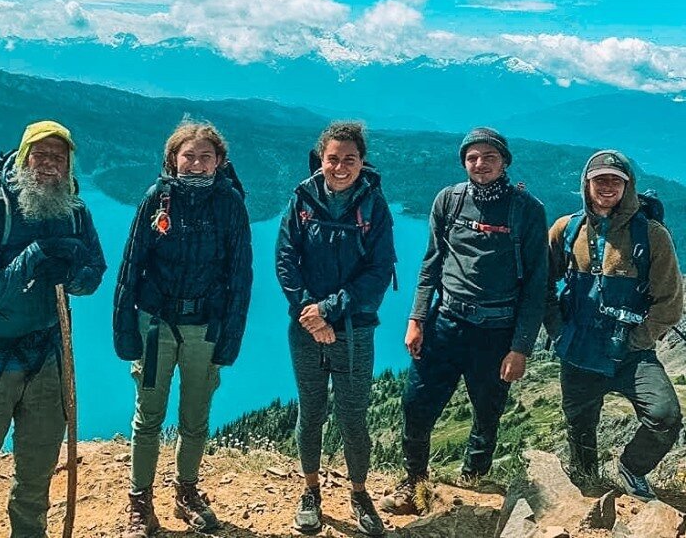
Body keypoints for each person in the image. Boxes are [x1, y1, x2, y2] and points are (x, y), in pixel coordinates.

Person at [381, 127, 548, 515]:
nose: (480, 164)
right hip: (446, 322)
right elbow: (431, 265)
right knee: (415, 405)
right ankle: (414, 481)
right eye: (472, 157)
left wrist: (520, 347)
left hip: (497, 331)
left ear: (504, 160)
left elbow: (537, 285)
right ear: (464, 162)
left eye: (489, 156)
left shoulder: (527, 209)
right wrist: (416, 317)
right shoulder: (449, 201)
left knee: (487, 412)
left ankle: (473, 479)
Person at [0, 120, 106, 538]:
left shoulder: (75, 212)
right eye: (40, 155)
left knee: (36, 479)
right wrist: (30, 259)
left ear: (69, 166)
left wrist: (74, 272)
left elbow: (93, 275)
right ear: (22, 157)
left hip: (48, 360)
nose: (48, 165)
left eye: (59, 159)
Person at [113, 121, 253, 537]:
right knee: (148, 417)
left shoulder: (229, 204)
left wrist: (230, 338)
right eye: (188, 156)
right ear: (173, 159)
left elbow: (240, 275)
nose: (196, 163)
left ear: (220, 162)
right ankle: (140, 502)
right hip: (155, 324)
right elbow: (131, 264)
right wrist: (125, 329)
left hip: (204, 329)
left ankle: (186, 492)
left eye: (205, 156)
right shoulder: (157, 199)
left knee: (195, 418)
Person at [276, 121, 396, 536]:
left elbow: (379, 272)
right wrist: (310, 314)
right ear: (320, 159)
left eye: (350, 159)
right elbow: (285, 260)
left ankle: (360, 494)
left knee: (352, 417)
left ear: (362, 162)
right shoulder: (302, 199)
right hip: (307, 327)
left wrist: (327, 310)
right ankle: (310, 491)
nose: (340, 167)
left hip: (354, 328)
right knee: (311, 412)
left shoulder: (374, 207)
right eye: (333, 159)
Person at [544, 150, 683, 501]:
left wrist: (638, 339)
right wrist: (558, 331)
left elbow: (670, 301)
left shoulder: (651, 235)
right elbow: (541, 286)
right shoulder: (566, 228)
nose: (607, 186)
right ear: (586, 184)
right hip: (578, 349)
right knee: (580, 424)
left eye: (615, 181)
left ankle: (632, 468)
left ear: (628, 186)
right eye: (599, 179)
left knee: (665, 416)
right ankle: (587, 483)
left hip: (631, 353)